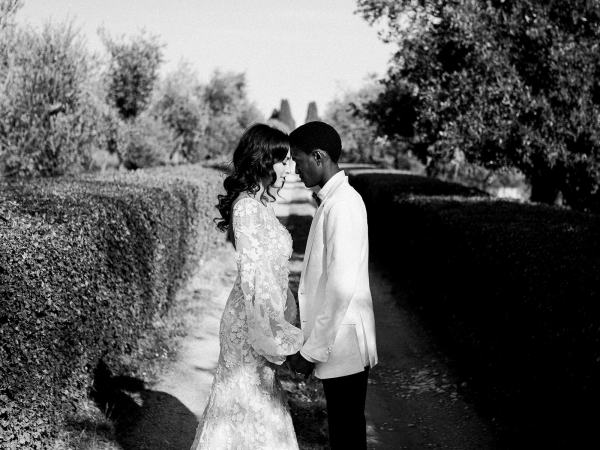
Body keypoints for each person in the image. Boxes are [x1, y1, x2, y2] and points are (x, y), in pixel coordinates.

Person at [190, 123, 303, 450]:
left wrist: (290, 313)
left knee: (262, 405)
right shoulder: (246, 208)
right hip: (250, 324)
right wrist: (276, 337)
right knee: (245, 404)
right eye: (282, 161)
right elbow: (255, 280)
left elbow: (275, 273)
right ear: (263, 161)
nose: (288, 168)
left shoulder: (261, 206)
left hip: (263, 318)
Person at [287, 121, 378, 450]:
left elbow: (340, 287)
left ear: (318, 156)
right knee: (343, 431)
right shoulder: (332, 201)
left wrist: (310, 353)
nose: (296, 170)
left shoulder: (342, 205)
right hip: (338, 342)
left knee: (347, 434)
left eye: (298, 160)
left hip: (344, 343)